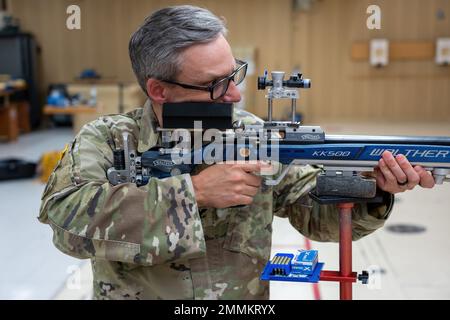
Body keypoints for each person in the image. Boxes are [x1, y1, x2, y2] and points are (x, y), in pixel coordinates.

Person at [38, 5, 435, 300]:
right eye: (216, 84)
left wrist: (374, 188)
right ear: (158, 89)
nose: (236, 94)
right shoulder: (108, 138)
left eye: (235, 73)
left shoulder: (251, 132)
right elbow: (65, 224)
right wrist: (192, 193)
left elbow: (317, 216)